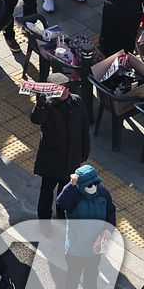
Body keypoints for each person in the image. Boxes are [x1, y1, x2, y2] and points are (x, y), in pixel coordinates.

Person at [52, 164, 117, 289]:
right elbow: (61, 203)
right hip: (76, 249)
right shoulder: (73, 196)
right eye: (89, 184)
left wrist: (108, 229)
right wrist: (71, 185)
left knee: (92, 276)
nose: (93, 186)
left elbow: (111, 212)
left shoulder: (103, 194)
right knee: (73, 279)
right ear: (81, 185)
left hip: (95, 247)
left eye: (95, 183)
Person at [30, 76, 91, 222]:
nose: (64, 90)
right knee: (47, 192)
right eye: (59, 88)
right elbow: (37, 119)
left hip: (72, 158)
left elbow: (84, 128)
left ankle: (62, 216)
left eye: (66, 86)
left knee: (66, 192)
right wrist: (40, 105)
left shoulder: (77, 101)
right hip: (52, 159)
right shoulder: (48, 106)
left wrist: (85, 150)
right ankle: (44, 220)